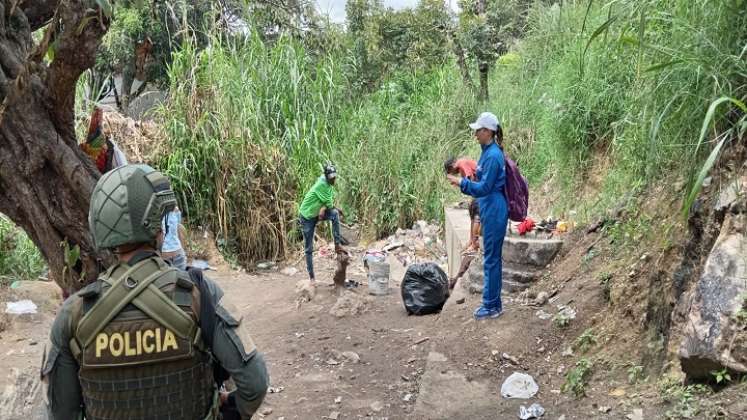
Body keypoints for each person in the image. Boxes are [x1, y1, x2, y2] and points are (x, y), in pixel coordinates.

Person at [42, 164, 269, 419]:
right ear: (158, 229)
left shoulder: (73, 314)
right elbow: (255, 382)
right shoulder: (199, 294)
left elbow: (60, 412)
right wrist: (226, 412)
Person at [446, 112, 509, 320]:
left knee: (491, 259)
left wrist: (461, 183)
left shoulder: (492, 156)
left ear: (488, 131)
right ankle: (494, 304)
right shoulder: (487, 152)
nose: (475, 135)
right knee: (492, 258)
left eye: (478, 131)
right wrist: (466, 185)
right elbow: (480, 186)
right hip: (489, 206)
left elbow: (485, 187)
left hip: (494, 208)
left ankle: (490, 306)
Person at [298, 163, 345, 285]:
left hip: (316, 214)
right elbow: (329, 203)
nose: (334, 179)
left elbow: (327, 201)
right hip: (307, 216)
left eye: (335, 177)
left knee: (334, 214)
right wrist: (328, 207)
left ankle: (337, 244)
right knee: (308, 249)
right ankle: (312, 278)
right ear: (326, 176)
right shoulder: (322, 184)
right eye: (331, 178)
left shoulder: (328, 183)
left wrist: (323, 208)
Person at [444, 157, 481, 254]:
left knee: (477, 214)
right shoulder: (462, 166)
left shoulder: (461, 163)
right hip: (479, 189)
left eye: (451, 171)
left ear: (452, 166)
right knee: (472, 211)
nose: (453, 173)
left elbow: (470, 179)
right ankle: (471, 241)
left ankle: (474, 245)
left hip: (482, 189)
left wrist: (458, 182)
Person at [161, 205, 187, 270]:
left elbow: (179, 231)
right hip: (162, 258)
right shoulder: (152, 213)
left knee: (181, 278)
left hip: (179, 256)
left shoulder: (176, 211)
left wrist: (182, 251)